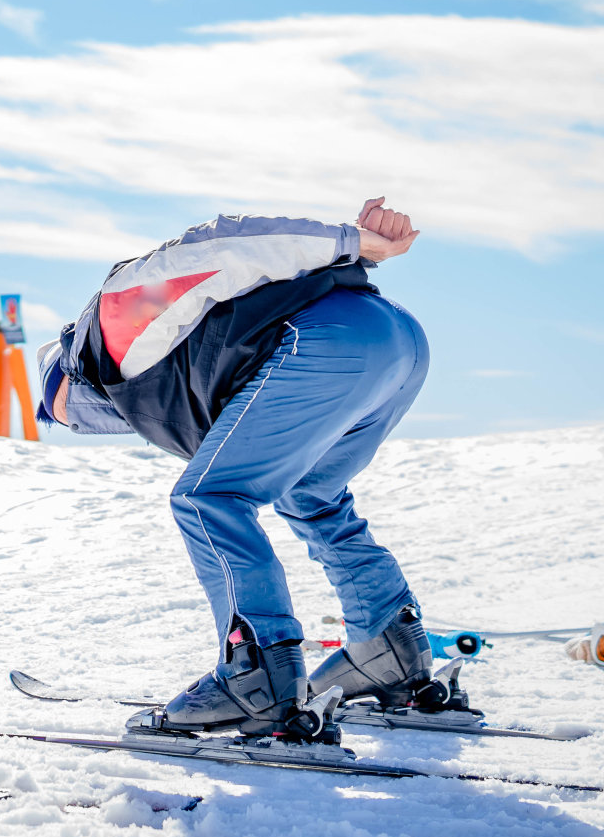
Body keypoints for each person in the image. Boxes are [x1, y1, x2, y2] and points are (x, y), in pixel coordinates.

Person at [37, 199, 454, 738]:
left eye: (62, 409)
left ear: (68, 371)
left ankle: (255, 676)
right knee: (310, 494)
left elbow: (225, 246)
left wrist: (353, 242)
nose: (75, 422)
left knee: (208, 499)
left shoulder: (115, 321)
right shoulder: (171, 387)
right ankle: (387, 648)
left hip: (331, 338)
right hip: (396, 344)